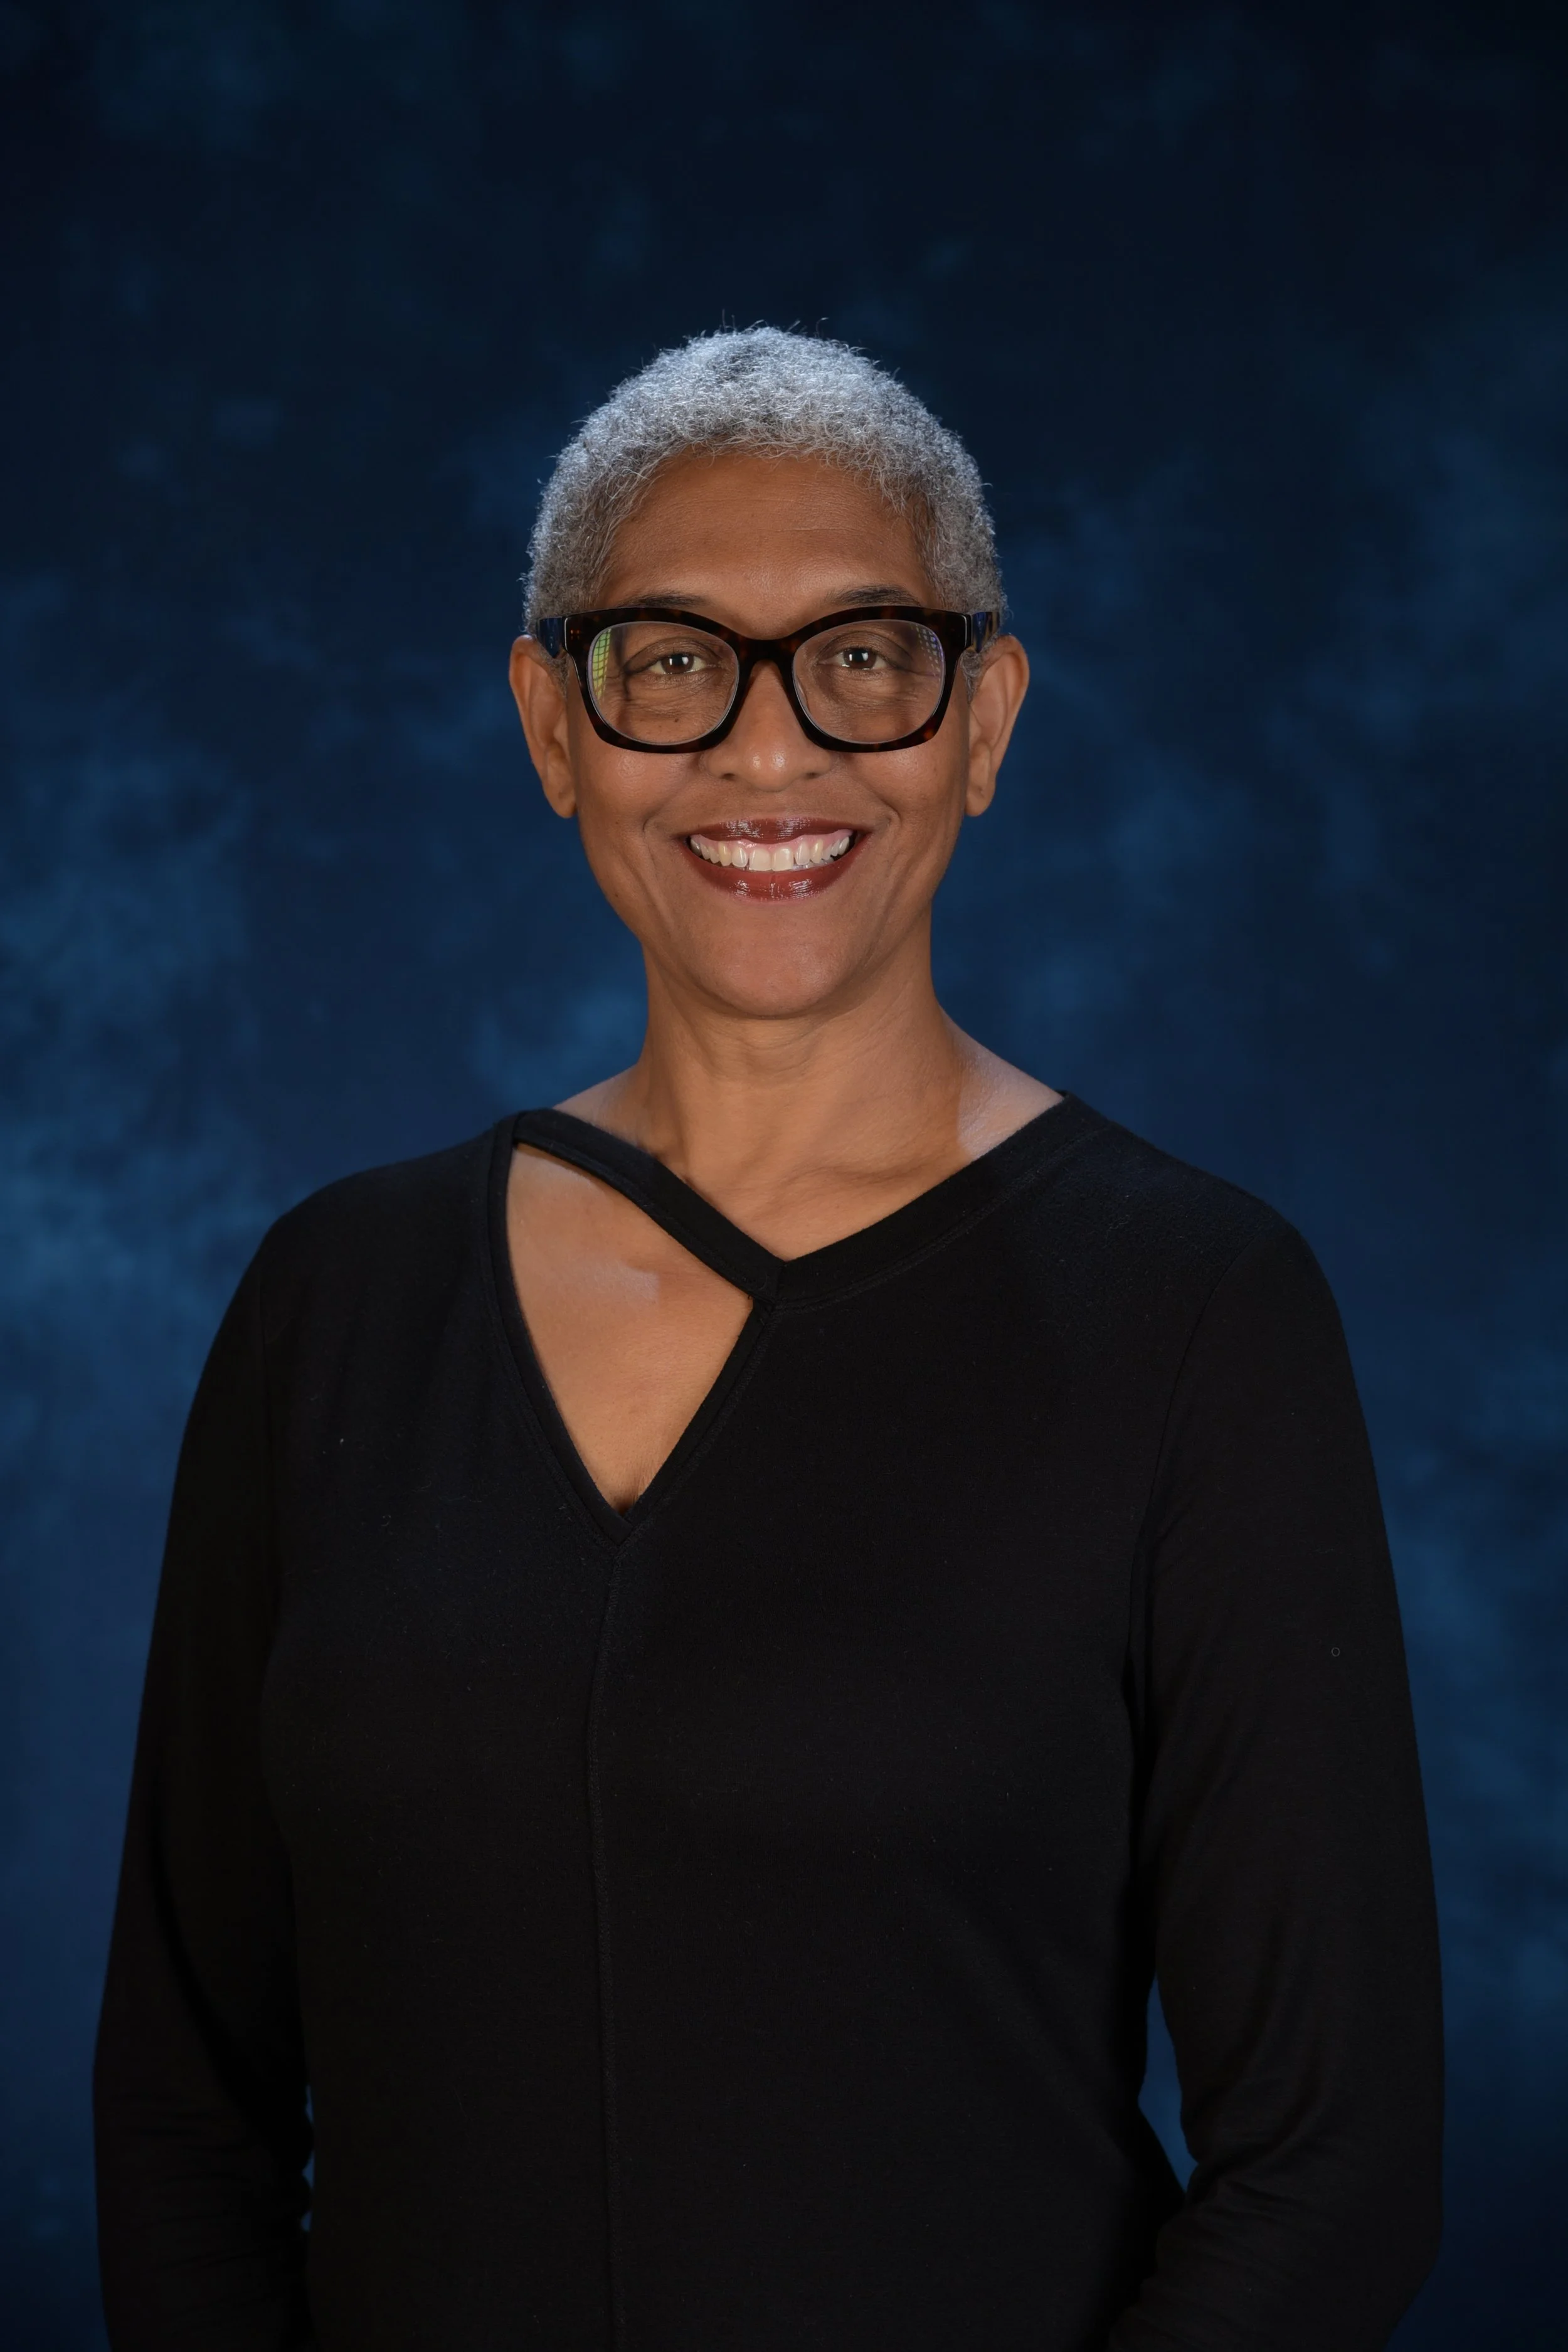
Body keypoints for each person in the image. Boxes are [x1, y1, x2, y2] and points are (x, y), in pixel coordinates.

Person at [94, 328, 1442, 2351]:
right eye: (669, 660)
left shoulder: (1193, 1309)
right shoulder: (335, 1303)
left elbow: (1333, 2163)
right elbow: (184, 2099)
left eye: (864, 654)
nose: (767, 750)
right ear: (553, 726)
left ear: (981, 719)